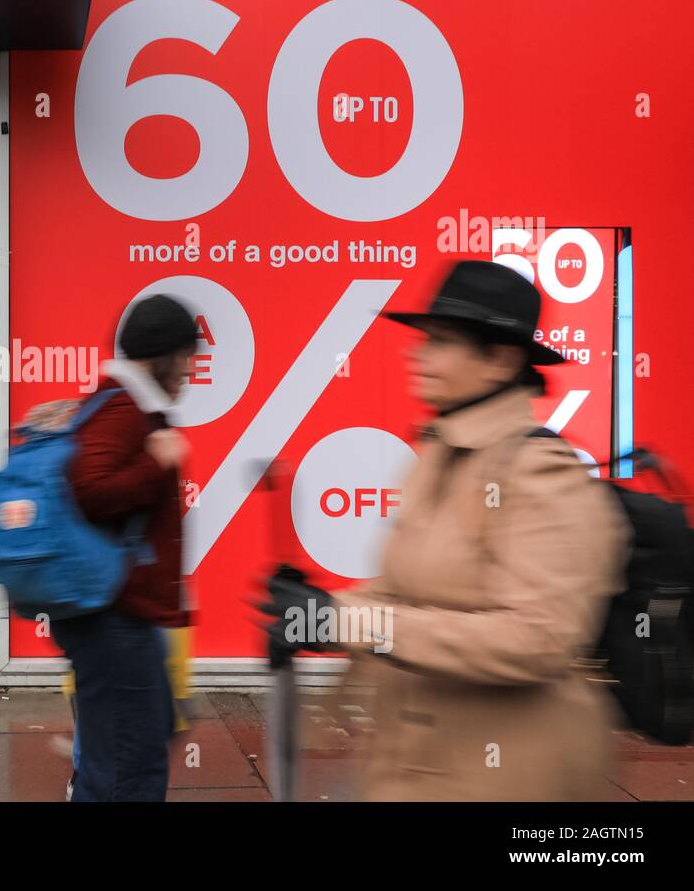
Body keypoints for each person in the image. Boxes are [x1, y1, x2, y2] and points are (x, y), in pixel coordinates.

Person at [262, 260, 629, 800]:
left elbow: (537, 638)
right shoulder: (440, 453)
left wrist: (350, 622)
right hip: (421, 765)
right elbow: (405, 596)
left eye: (442, 341)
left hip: (509, 777)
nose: (417, 352)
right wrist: (313, 611)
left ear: (500, 359)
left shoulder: (541, 473)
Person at [51, 293, 198, 802]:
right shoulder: (122, 409)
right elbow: (88, 490)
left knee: (132, 745)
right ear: (161, 354)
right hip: (114, 619)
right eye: (186, 357)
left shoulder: (124, 404)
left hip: (124, 616)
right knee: (127, 773)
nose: (190, 369)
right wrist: (156, 464)